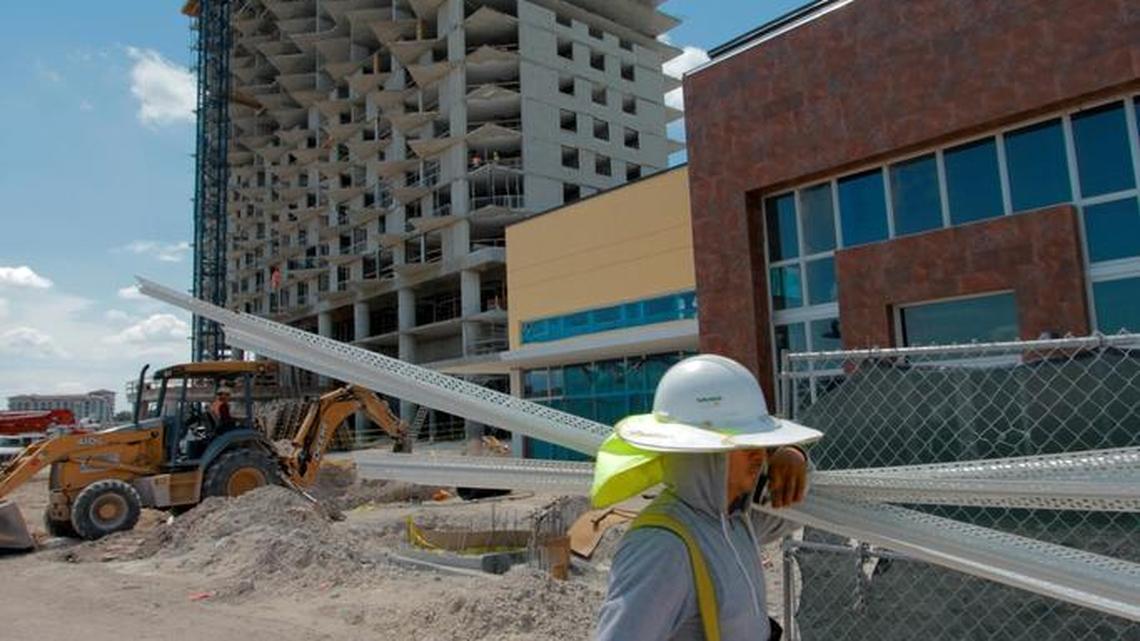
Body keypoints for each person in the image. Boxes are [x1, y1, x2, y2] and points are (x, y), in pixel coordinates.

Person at [592, 354, 822, 641]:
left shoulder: (733, 520)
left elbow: (796, 495)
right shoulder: (663, 547)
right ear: (699, 451)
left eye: (761, 442)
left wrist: (791, 453)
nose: (758, 453)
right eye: (743, 441)